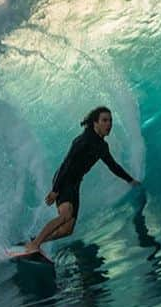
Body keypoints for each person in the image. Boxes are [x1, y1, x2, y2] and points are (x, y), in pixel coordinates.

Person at [22, 106, 139, 254]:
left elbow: (113, 166)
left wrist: (130, 180)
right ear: (95, 122)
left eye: (110, 121)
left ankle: (35, 240)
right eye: (104, 120)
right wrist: (55, 191)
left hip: (75, 184)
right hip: (63, 181)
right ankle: (35, 244)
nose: (108, 124)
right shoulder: (83, 140)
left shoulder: (102, 146)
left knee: (67, 230)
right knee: (65, 216)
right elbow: (66, 164)